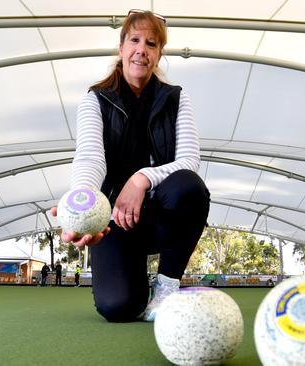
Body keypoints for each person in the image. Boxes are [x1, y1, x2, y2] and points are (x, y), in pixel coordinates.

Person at [52, 10, 210, 322]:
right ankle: (136, 288)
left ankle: (166, 288)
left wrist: (141, 179)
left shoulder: (177, 98)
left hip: (161, 217)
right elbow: (90, 157)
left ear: (159, 54)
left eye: (151, 44)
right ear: (122, 47)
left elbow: (189, 161)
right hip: (115, 220)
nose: (142, 49)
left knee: (189, 185)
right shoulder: (95, 99)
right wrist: (81, 203)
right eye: (134, 40)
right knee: (119, 308)